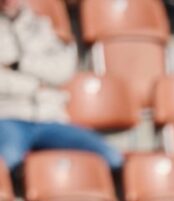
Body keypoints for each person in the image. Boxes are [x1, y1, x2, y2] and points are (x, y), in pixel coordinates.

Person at [0, 0, 123, 171]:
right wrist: (39, 83)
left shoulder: (42, 27)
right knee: (6, 161)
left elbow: (63, 70)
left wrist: (18, 65)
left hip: (51, 119)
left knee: (110, 156)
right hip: (7, 117)